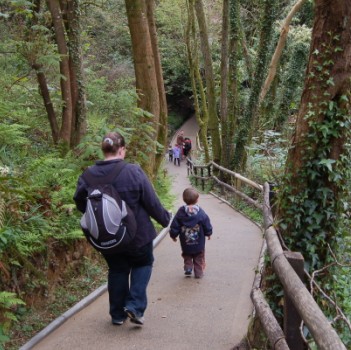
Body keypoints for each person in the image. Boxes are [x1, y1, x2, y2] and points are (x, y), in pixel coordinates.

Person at [73, 131, 171, 326]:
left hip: (108, 237)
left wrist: (101, 220)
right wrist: (165, 219)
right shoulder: (133, 171)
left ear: (103, 150)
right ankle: (135, 306)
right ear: (122, 150)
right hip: (138, 235)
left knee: (117, 269)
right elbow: (151, 201)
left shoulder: (87, 176)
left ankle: (117, 315)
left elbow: (79, 202)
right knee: (143, 264)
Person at [170, 188, 212, 278]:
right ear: (197, 199)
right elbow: (206, 223)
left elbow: (175, 225)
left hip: (186, 242)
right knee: (198, 257)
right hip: (199, 242)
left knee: (187, 254)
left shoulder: (181, 213)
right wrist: (208, 233)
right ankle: (198, 273)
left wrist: (173, 235)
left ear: (183, 199)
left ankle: (188, 267)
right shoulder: (201, 213)